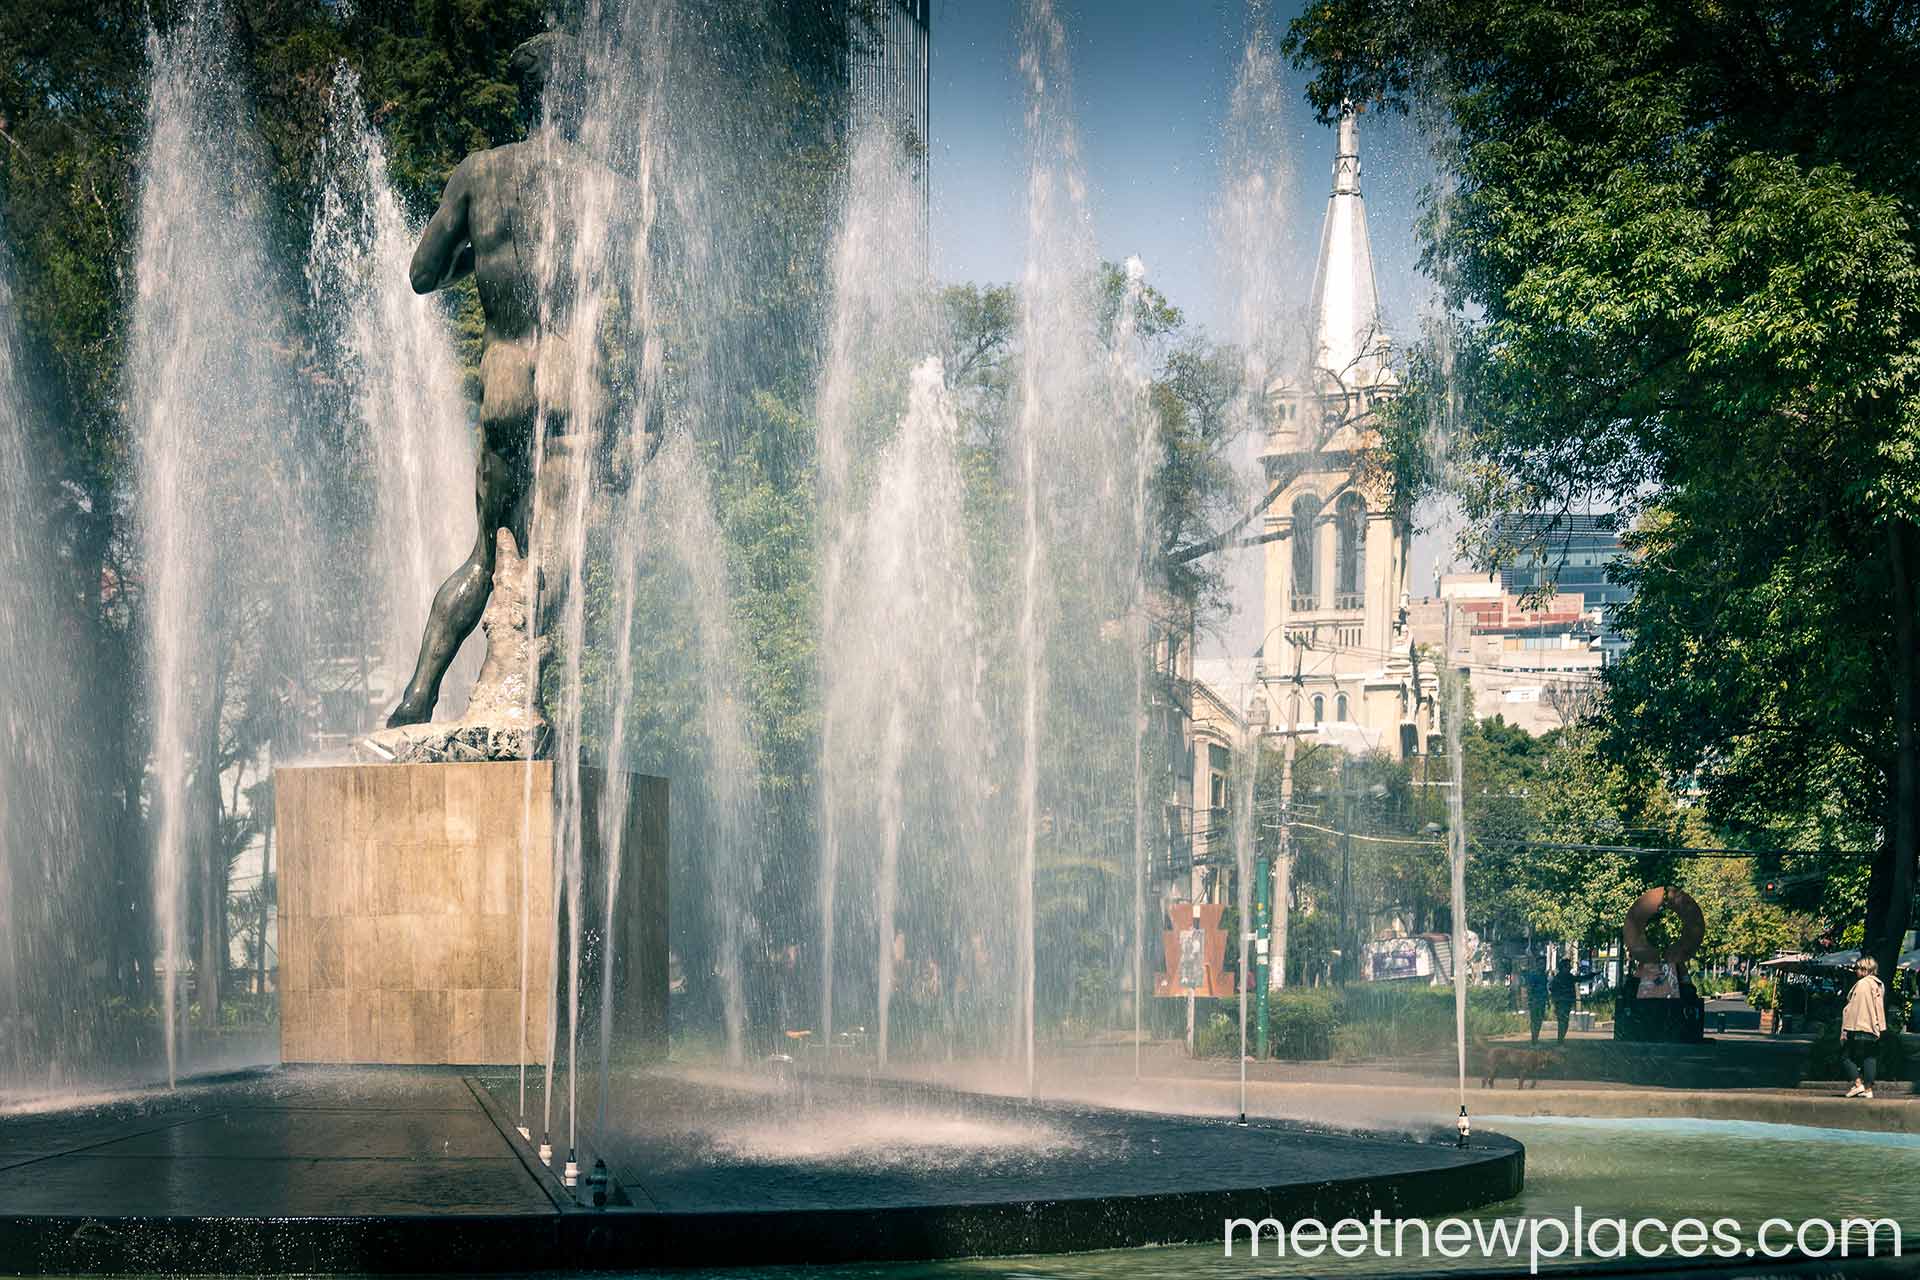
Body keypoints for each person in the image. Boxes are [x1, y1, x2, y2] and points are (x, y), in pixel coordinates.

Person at [1840, 955, 1887, 1099]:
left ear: (1864, 969)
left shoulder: (1861, 985)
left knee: (1845, 1057)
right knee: (1870, 1058)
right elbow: (1879, 1007)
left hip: (1857, 1026)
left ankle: (1857, 1083)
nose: (1855, 971)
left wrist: (1844, 1030)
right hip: (1872, 1028)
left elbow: (1852, 1009)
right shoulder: (1879, 984)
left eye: (1857, 968)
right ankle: (1868, 1090)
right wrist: (1881, 1027)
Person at [1521, 957, 1549, 1044]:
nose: (1542, 966)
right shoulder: (1533, 975)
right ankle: (1534, 1039)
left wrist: (1547, 1001)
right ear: (1537, 964)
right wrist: (1530, 999)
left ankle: (1536, 1037)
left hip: (1542, 1001)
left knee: (1539, 1020)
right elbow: (1529, 988)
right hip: (1535, 1001)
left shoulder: (1544, 975)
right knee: (1534, 1020)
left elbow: (1545, 989)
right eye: (1540, 964)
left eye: (1544, 964)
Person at [1549, 957, 1578, 1043]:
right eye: (1567, 966)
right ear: (1563, 967)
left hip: (1567, 1003)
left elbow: (1580, 979)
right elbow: (1552, 989)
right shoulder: (1558, 978)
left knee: (1564, 1022)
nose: (1569, 968)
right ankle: (1560, 1039)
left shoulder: (1569, 977)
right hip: (1561, 1003)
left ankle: (1561, 1038)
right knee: (1562, 1021)